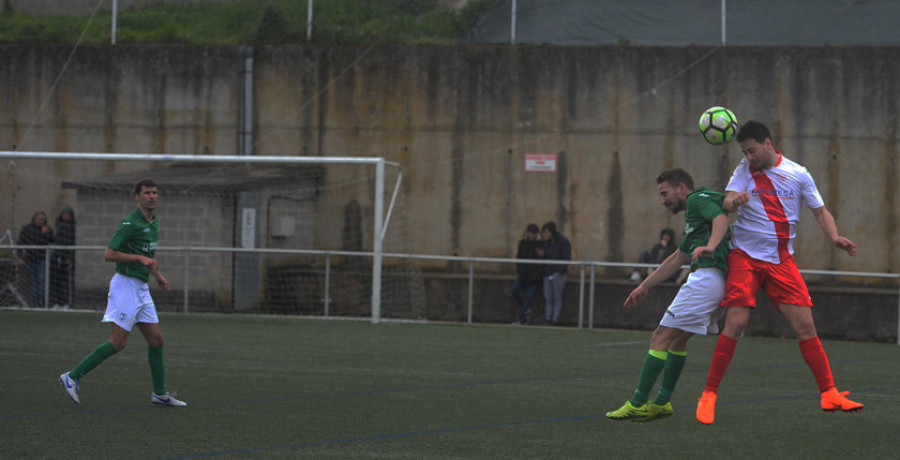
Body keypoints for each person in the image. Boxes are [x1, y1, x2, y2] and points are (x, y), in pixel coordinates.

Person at [696, 121, 862, 425]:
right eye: (744, 152)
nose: (748, 157)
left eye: (752, 150)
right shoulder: (744, 171)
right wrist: (734, 200)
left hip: (781, 261)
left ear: (768, 144)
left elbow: (820, 211)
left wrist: (834, 237)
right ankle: (708, 394)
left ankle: (829, 393)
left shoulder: (798, 174)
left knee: (805, 326)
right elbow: (727, 200)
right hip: (745, 257)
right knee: (736, 323)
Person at [606, 169, 733, 422]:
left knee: (659, 338)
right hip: (717, 282)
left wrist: (710, 246)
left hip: (705, 280)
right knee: (677, 342)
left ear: (682, 187)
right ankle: (662, 402)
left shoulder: (697, 199)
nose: (662, 200)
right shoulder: (697, 213)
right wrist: (645, 286)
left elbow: (721, 218)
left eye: (665, 193)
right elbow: (676, 258)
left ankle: (638, 402)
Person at [59, 179, 186, 407]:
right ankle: (72, 376)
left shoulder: (154, 222)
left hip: (141, 287)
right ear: (137, 197)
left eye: (155, 192)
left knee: (156, 340)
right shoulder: (129, 223)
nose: (152, 196)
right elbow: (109, 253)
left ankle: (159, 393)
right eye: (147, 193)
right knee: (118, 343)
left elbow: (146, 257)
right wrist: (139, 258)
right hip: (125, 286)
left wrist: (158, 276)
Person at [17, 210, 54, 308]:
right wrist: (20, 257)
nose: (41, 221)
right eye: (39, 218)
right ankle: (35, 302)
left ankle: (42, 302)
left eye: (43, 219)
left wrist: (47, 233)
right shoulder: (27, 229)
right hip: (31, 259)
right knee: (34, 281)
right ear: (34, 218)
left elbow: (52, 240)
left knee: (42, 280)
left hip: (42, 259)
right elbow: (20, 242)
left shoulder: (46, 229)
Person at [536, 221, 571, 326]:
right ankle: (548, 318)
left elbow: (566, 257)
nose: (545, 234)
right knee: (548, 297)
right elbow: (545, 256)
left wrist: (560, 271)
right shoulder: (547, 243)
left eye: (546, 232)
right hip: (548, 273)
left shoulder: (563, 242)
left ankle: (554, 319)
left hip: (557, 274)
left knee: (557, 297)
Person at [511, 223, 543, 325]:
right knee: (514, 289)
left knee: (529, 295)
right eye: (530, 233)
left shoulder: (540, 244)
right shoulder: (522, 243)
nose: (532, 236)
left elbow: (540, 263)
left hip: (535, 278)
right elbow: (519, 258)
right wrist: (521, 273)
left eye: (534, 233)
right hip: (523, 276)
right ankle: (526, 310)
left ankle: (520, 317)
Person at [50, 207, 76, 309]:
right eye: (64, 214)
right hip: (57, 257)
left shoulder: (72, 227)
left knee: (67, 282)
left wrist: (69, 256)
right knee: (56, 281)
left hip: (66, 258)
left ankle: (68, 304)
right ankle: (57, 303)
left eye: (68, 214)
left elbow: (71, 242)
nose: (66, 216)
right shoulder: (59, 225)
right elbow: (56, 240)